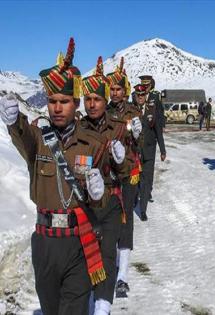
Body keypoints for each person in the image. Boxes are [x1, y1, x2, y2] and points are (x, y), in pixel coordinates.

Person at [0, 38, 108, 315]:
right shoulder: (38, 137)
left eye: (64, 101)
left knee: (74, 309)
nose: (57, 107)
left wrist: (99, 193)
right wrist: (14, 122)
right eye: (52, 101)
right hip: (45, 242)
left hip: (79, 241)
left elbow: (101, 198)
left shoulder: (92, 144)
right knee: (51, 309)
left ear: (76, 104)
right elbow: (23, 136)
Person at [81, 56, 136, 314]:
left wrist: (123, 160)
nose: (92, 104)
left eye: (97, 99)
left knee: (106, 253)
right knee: (84, 257)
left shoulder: (118, 128)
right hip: (84, 203)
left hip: (112, 199)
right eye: (87, 99)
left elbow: (128, 166)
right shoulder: (77, 128)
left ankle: (103, 308)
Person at [106, 57, 142, 298]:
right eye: (112, 88)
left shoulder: (134, 112)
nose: (115, 92)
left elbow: (142, 143)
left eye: (119, 89)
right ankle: (109, 264)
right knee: (108, 218)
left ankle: (122, 276)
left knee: (126, 217)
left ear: (125, 90)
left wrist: (139, 135)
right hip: (108, 173)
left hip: (129, 172)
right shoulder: (103, 111)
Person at [133, 83, 166, 222]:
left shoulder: (152, 110)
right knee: (136, 180)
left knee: (146, 181)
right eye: (138, 95)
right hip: (134, 152)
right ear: (135, 96)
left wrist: (163, 149)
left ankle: (143, 209)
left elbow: (158, 130)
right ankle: (135, 199)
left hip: (149, 152)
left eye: (142, 95)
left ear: (145, 96)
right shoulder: (131, 110)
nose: (140, 97)